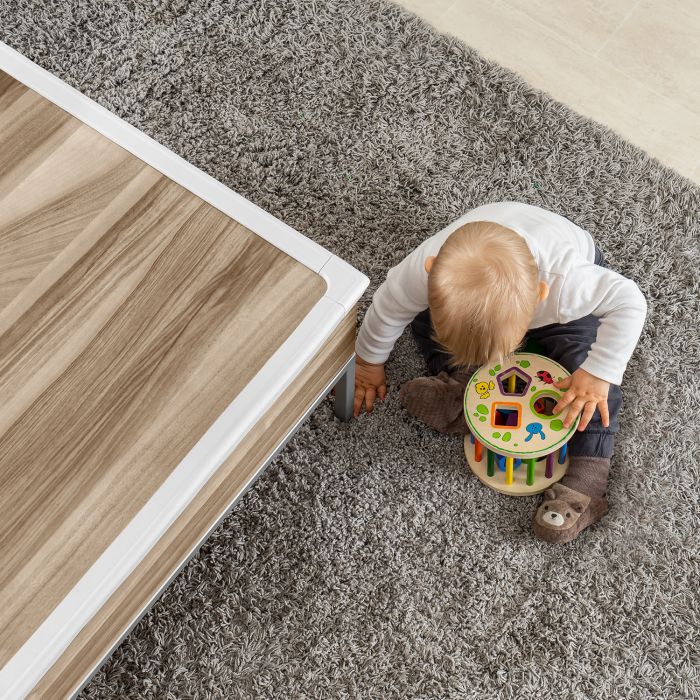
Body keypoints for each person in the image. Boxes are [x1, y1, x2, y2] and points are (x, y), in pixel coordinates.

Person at [353, 201, 647, 543]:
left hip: (561, 303)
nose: (498, 359)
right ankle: (463, 387)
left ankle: (588, 480)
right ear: (431, 272)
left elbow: (629, 301)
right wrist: (368, 363)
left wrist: (598, 373)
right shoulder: (425, 271)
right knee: (423, 322)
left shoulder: (569, 285)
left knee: (589, 377)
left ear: (539, 296)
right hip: (489, 278)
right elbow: (387, 309)